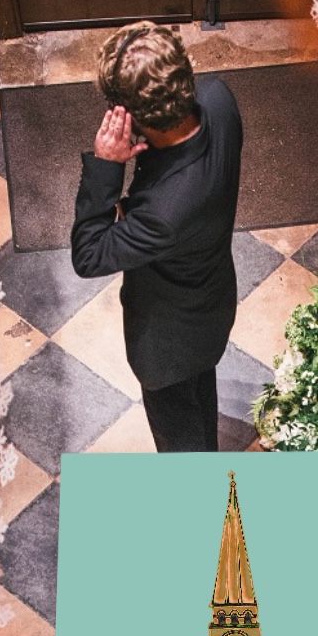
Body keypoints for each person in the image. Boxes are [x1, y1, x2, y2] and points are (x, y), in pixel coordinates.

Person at [70, 23, 242, 453]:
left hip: (169, 345)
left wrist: (108, 166)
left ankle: (201, 509)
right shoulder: (220, 103)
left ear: (131, 115)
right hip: (209, 303)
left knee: (182, 445)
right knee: (200, 400)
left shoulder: (165, 214)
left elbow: (88, 255)